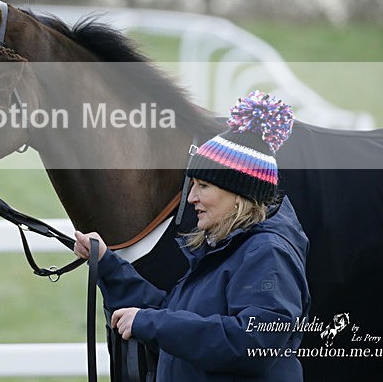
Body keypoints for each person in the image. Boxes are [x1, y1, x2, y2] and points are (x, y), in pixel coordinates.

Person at [74, 91, 310, 381]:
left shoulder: (267, 253)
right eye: (193, 184)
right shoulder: (225, 248)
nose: (191, 197)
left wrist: (153, 323)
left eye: (203, 186)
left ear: (239, 193)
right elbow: (170, 313)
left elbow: (253, 343)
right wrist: (107, 264)